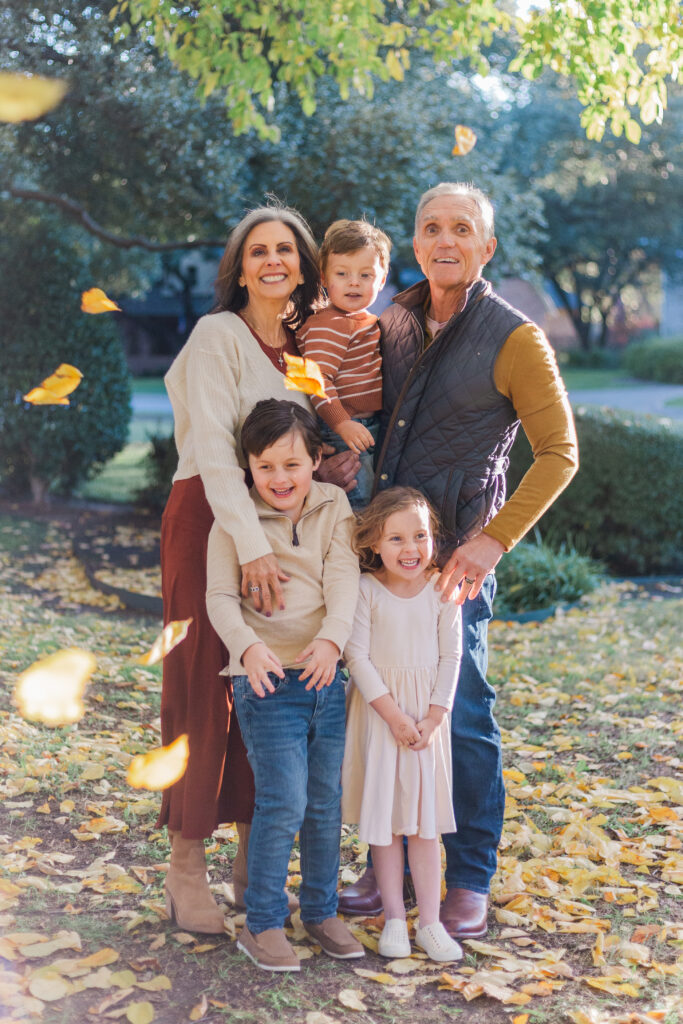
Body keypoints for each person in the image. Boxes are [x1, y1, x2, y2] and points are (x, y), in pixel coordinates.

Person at [338, 182, 579, 939]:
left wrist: (488, 541)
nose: (445, 240)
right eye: (431, 227)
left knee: (461, 713)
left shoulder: (515, 339)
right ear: (414, 243)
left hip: (452, 570)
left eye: (462, 229)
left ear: (486, 248)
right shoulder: (396, 318)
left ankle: (467, 873)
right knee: (384, 714)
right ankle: (390, 873)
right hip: (386, 563)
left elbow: (560, 455)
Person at [159, 204, 326, 934]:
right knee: (202, 685)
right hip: (209, 516)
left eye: (284, 249)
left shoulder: (299, 349)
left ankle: (251, 862)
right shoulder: (214, 335)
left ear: (302, 263)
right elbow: (222, 456)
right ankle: (184, 864)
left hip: (274, 525)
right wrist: (249, 546)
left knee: (269, 679)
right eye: (257, 250)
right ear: (239, 266)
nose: (271, 261)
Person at [205, 399, 363, 972]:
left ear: (316, 459)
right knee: (284, 801)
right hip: (266, 681)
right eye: (265, 466)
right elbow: (220, 597)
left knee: (325, 804)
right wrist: (247, 649)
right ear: (248, 467)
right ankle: (263, 922)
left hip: (325, 674)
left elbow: (345, 578)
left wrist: (333, 640)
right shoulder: (236, 517)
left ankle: (320, 911)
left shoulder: (334, 505)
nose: (279, 479)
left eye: (292, 464)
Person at [342, 487, 463, 962]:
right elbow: (358, 656)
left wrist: (435, 716)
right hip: (382, 718)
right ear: (374, 542)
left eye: (420, 536)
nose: (410, 549)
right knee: (386, 825)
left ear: (434, 538)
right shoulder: (366, 590)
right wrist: (393, 716)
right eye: (396, 539)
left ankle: (430, 923)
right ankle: (394, 918)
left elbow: (452, 656)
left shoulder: (442, 589)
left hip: (426, 724)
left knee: (425, 826)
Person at [297, 219, 390, 508]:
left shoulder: (364, 321)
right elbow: (314, 379)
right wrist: (342, 424)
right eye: (342, 273)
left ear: (382, 280)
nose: (354, 282)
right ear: (325, 279)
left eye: (365, 275)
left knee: (373, 499)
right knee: (357, 506)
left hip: (362, 425)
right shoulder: (330, 324)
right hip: (342, 428)